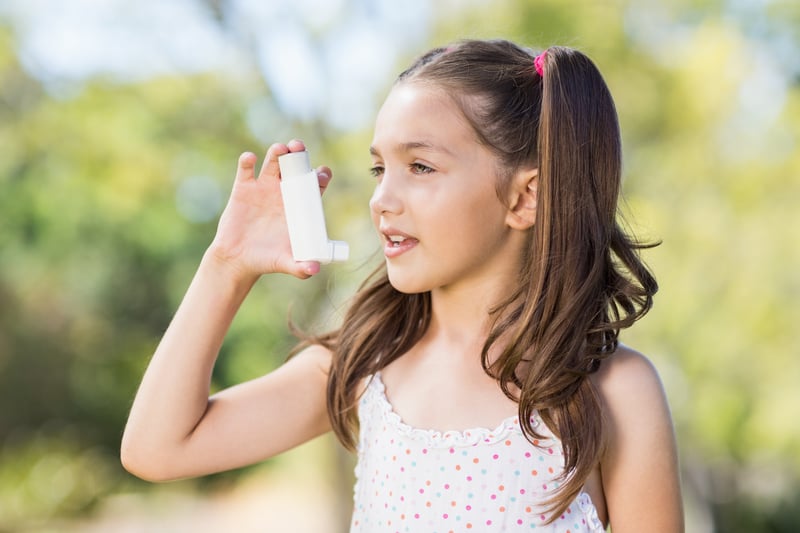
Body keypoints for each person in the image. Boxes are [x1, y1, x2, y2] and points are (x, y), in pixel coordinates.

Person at [121, 39, 684, 532]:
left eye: (420, 167)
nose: (381, 200)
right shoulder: (366, 365)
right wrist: (227, 265)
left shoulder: (615, 391)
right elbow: (156, 448)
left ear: (524, 197)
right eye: (378, 169)